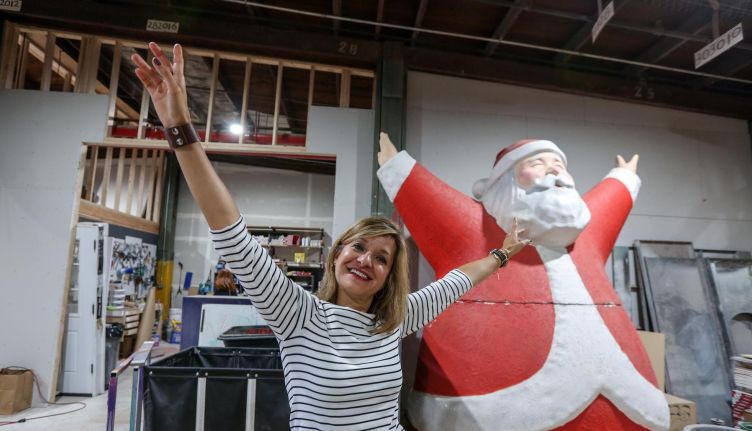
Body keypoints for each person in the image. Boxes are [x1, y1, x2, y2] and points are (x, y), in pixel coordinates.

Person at [131, 42, 530, 430]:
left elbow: (457, 282)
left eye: (381, 258)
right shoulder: (299, 314)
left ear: (388, 276)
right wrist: (179, 128)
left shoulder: (394, 320)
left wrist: (503, 253)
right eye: (358, 247)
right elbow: (232, 234)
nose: (365, 260)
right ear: (336, 255)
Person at [376, 134, 670, 430]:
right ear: (505, 182)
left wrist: (624, 175)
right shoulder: (473, 229)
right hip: (487, 407)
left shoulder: (586, 238)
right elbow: (422, 194)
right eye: (536, 163)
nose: (554, 170)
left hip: (630, 400)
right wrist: (396, 164)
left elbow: (611, 200)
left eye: (559, 164)